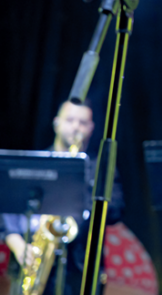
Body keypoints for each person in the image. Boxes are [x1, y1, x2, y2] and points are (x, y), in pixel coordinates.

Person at [0, 99, 124, 295]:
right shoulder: (36, 164)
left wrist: (77, 193)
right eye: (70, 120)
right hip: (31, 261)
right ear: (56, 122)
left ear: (91, 128)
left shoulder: (100, 168)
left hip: (79, 269)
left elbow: (116, 210)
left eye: (82, 122)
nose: (76, 127)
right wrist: (18, 246)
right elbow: (8, 211)